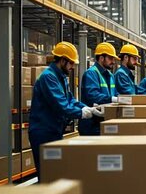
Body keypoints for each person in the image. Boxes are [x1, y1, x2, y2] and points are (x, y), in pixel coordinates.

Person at [29, 42, 102, 179]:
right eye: (71, 63)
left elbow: (70, 99)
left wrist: (86, 107)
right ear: (62, 60)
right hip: (43, 132)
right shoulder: (48, 77)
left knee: (56, 172)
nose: (72, 67)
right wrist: (82, 114)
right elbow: (61, 105)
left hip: (55, 130)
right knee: (47, 175)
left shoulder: (61, 77)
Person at [78, 42, 119, 136]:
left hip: (104, 121)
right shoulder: (91, 73)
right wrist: (112, 99)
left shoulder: (110, 76)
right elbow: (92, 95)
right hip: (91, 124)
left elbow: (115, 94)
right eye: (110, 58)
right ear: (101, 58)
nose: (113, 61)